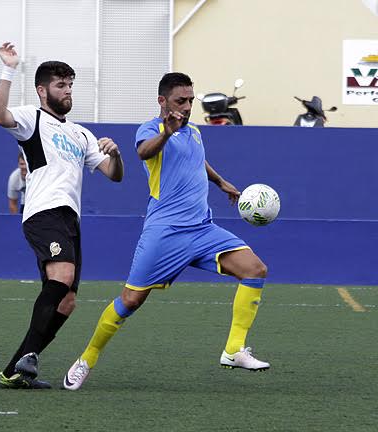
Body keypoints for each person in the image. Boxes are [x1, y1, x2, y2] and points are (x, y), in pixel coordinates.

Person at [63, 72, 270, 391]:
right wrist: (167, 132)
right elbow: (144, 152)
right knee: (130, 301)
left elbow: (197, 160)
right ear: (162, 101)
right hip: (165, 233)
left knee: (255, 270)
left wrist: (221, 182)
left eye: (190, 100)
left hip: (202, 229)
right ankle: (86, 359)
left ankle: (234, 350)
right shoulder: (151, 129)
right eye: (180, 101)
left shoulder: (195, 133)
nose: (187, 107)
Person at [0, 42, 124, 389]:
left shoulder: (81, 133)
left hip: (69, 219)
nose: (67, 91)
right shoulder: (31, 118)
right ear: (42, 90)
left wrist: (116, 153)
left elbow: (113, 173)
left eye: (70, 85)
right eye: (60, 85)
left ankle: (15, 369)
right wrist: (9, 68)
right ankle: (28, 357)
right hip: (42, 211)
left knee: (67, 302)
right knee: (61, 276)